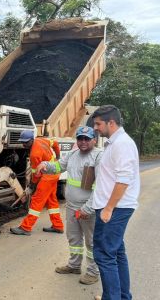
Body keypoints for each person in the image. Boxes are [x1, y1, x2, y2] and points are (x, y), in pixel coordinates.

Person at [36, 126, 102, 285]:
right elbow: (58, 167)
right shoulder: (73, 154)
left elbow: (101, 187)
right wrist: (46, 164)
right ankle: (74, 265)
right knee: (74, 238)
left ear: (94, 139)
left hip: (88, 209)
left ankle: (93, 272)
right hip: (72, 207)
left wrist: (88, 208)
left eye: (87, 138)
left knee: (92, 242)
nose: (83, 141)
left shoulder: (99, 157)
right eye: (80, 138)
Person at [91, 105, 140, 300]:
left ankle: (112, 297)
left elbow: (124, 180)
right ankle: (120, 296)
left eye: (98, 124)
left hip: (115, 208)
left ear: (111, 123)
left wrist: (108, 207)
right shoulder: (113, 143)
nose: (95, 127)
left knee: (104, 254)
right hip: (111, 207)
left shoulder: (122, 144)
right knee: (116, 252)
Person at [10, 130, 64, 235]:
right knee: (51, 200)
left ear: (31, 140)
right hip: (54, 173)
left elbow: (36, 174)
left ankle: (26, 227)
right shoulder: (41, 140)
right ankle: (58, 226)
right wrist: (57, 157)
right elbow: (55, 143)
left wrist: (32, 186)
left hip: (48, 176)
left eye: (26, 142)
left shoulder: (34, 154)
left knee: (37, 200)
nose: (24, 144)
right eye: (22, 142)